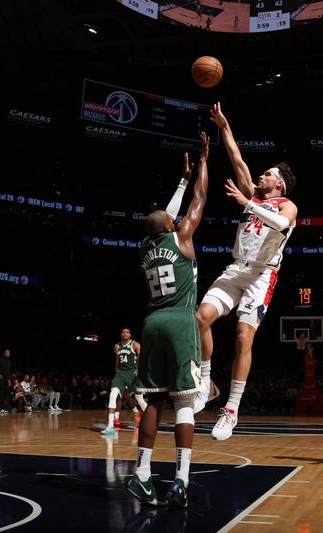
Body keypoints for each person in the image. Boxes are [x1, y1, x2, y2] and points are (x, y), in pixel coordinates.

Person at [194, 102, 298, 442]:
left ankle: (231, 409)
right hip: (235, 269)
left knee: (242, 336)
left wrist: (247, 203)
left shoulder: (285, 204)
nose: (261, 177)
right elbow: (237, 156)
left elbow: (282, 224)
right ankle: (207, 384)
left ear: (279, 184)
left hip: (262, 275)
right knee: (200, 319)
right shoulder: (252, 192)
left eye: (268, 174)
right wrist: (224, 125)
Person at [128, 132, 209, 508]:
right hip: (179, 320)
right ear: (170, 227)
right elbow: (199, 201)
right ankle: (181, 480)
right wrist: (203, 165)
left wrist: (181, 179)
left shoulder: (145, 248)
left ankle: (142, 474)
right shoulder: (182, 237)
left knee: (154, 403)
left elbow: (167, 214)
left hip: (151, 322)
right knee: (186, 403)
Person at [101, 328, 145, 436]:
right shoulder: (117, 346)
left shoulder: (135, 345)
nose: (125, 333)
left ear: (130, 335)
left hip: (132, 374)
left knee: (140, 399)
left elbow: (142, 357)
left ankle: (152, 418)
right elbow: (117, 359)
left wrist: (138, 369)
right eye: (123, 332)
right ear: (121, 334)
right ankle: (111, 425)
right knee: (113, 395)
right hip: (120, 374)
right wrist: (116, 369)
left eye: (127, 332)